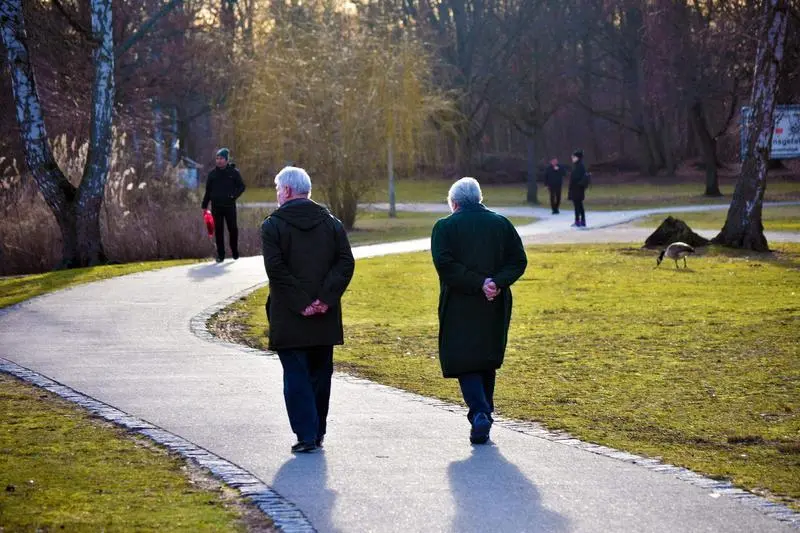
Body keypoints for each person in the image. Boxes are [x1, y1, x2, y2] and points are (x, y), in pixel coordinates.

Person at [261, 166, 355, 454]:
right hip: (324, 318)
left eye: (278, 189)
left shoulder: (272, 226)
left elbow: (276, 270)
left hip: (289, 316)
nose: (277, 195)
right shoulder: (332, 224)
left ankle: (306, 433)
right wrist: (324, 299)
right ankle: (317, 431)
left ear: (287, 191)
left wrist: (302, 303)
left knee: (296, 375)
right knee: (320, 374)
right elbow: (345, 263)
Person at [430, 177, 528, 444]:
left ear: (454, 202)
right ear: (480, 199)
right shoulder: (501, 224)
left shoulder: (444, 227)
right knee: (485, 356)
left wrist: (477, 282)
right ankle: (485, 412)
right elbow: (518, 260)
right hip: (494, 301)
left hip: (460, 303)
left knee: (465, 359)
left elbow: (445, 265)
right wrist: (495, 282)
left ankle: (480, 412)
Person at [202, 148, 246, 262]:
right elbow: (208, 191)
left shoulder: (233, 172)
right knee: (219, 231)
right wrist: (204, 205)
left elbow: (242, 187)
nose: (219, 161)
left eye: (221, 158)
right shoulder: (212, 174)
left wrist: (233, 196)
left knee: (233, 229)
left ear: (226, 160)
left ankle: (234, 251)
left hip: (229, 206)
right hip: (216, 207)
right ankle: (221, 255)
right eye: (217, 158)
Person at [568, 149, 589, 228]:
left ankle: (578, 221)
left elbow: (576, 178)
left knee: (578, 206)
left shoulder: (579, 166)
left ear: (578, 157)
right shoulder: (578, 166)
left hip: (577, 189)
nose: (572, 158)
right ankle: (581, 221)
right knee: (579, 205)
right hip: (577, 189)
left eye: (574, 157)